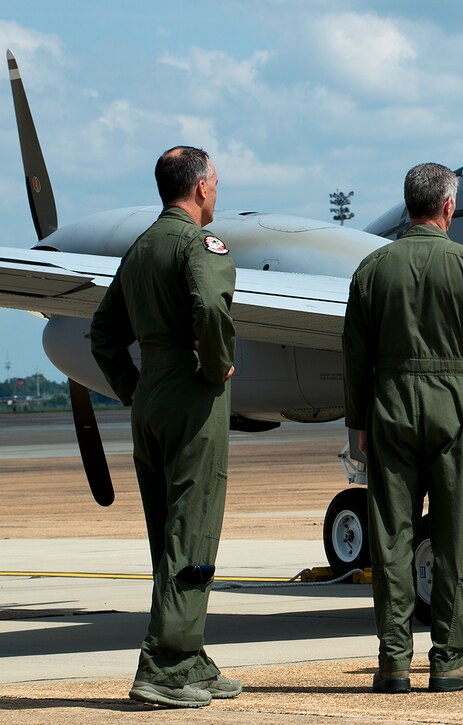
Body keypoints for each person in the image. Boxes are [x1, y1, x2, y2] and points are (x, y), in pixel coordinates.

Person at [342, 162, 463, 693]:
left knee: (391, 537)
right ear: (448, 206)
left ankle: (394, 661)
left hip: (390, 408)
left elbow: (354, 355)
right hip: (454, 410)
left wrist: (359, 423)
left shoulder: (371, 269)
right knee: (453, 534)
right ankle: (448, 657)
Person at [90, 146, 240, 707]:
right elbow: (209, 305)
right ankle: (163, 665)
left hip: (150, 396)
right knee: (193, 531)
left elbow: (103, 332)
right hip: (191, 397)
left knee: (168, 536)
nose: (218, 193)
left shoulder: (141, 247)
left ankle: (191, 658)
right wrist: (212, 362)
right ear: (200, 188)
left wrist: (133, 387)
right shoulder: (198, 244)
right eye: (216, 184)